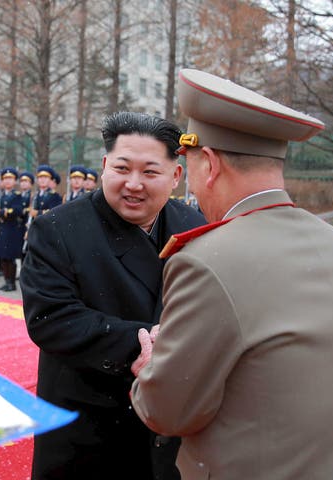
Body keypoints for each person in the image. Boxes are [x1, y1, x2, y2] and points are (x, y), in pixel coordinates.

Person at [130, 69, 333, 480]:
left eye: (188, 169)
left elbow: (168, 412)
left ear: (208, 164)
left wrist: (151, 368)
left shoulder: (207, 259)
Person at [20, 111, 206, 480]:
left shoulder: (196, 226)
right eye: (122, 168)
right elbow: (52, 319)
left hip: (172, 421)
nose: (133, 184)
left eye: (150, 172)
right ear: (104, 166)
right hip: (90, 423)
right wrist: (144, 344)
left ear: (176, 176)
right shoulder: (58, 229)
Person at [0, 167, 24, 291]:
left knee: (10, 258)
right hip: (2, 229)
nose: (7, 181)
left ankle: (11, 283)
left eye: (10, 178)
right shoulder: (1, 196)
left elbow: (18, 211)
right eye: (5, 179)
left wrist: (0, 212)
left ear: (15, 181)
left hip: (11, 230)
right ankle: (6, 281)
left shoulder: (17, 196)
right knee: (3, 258)